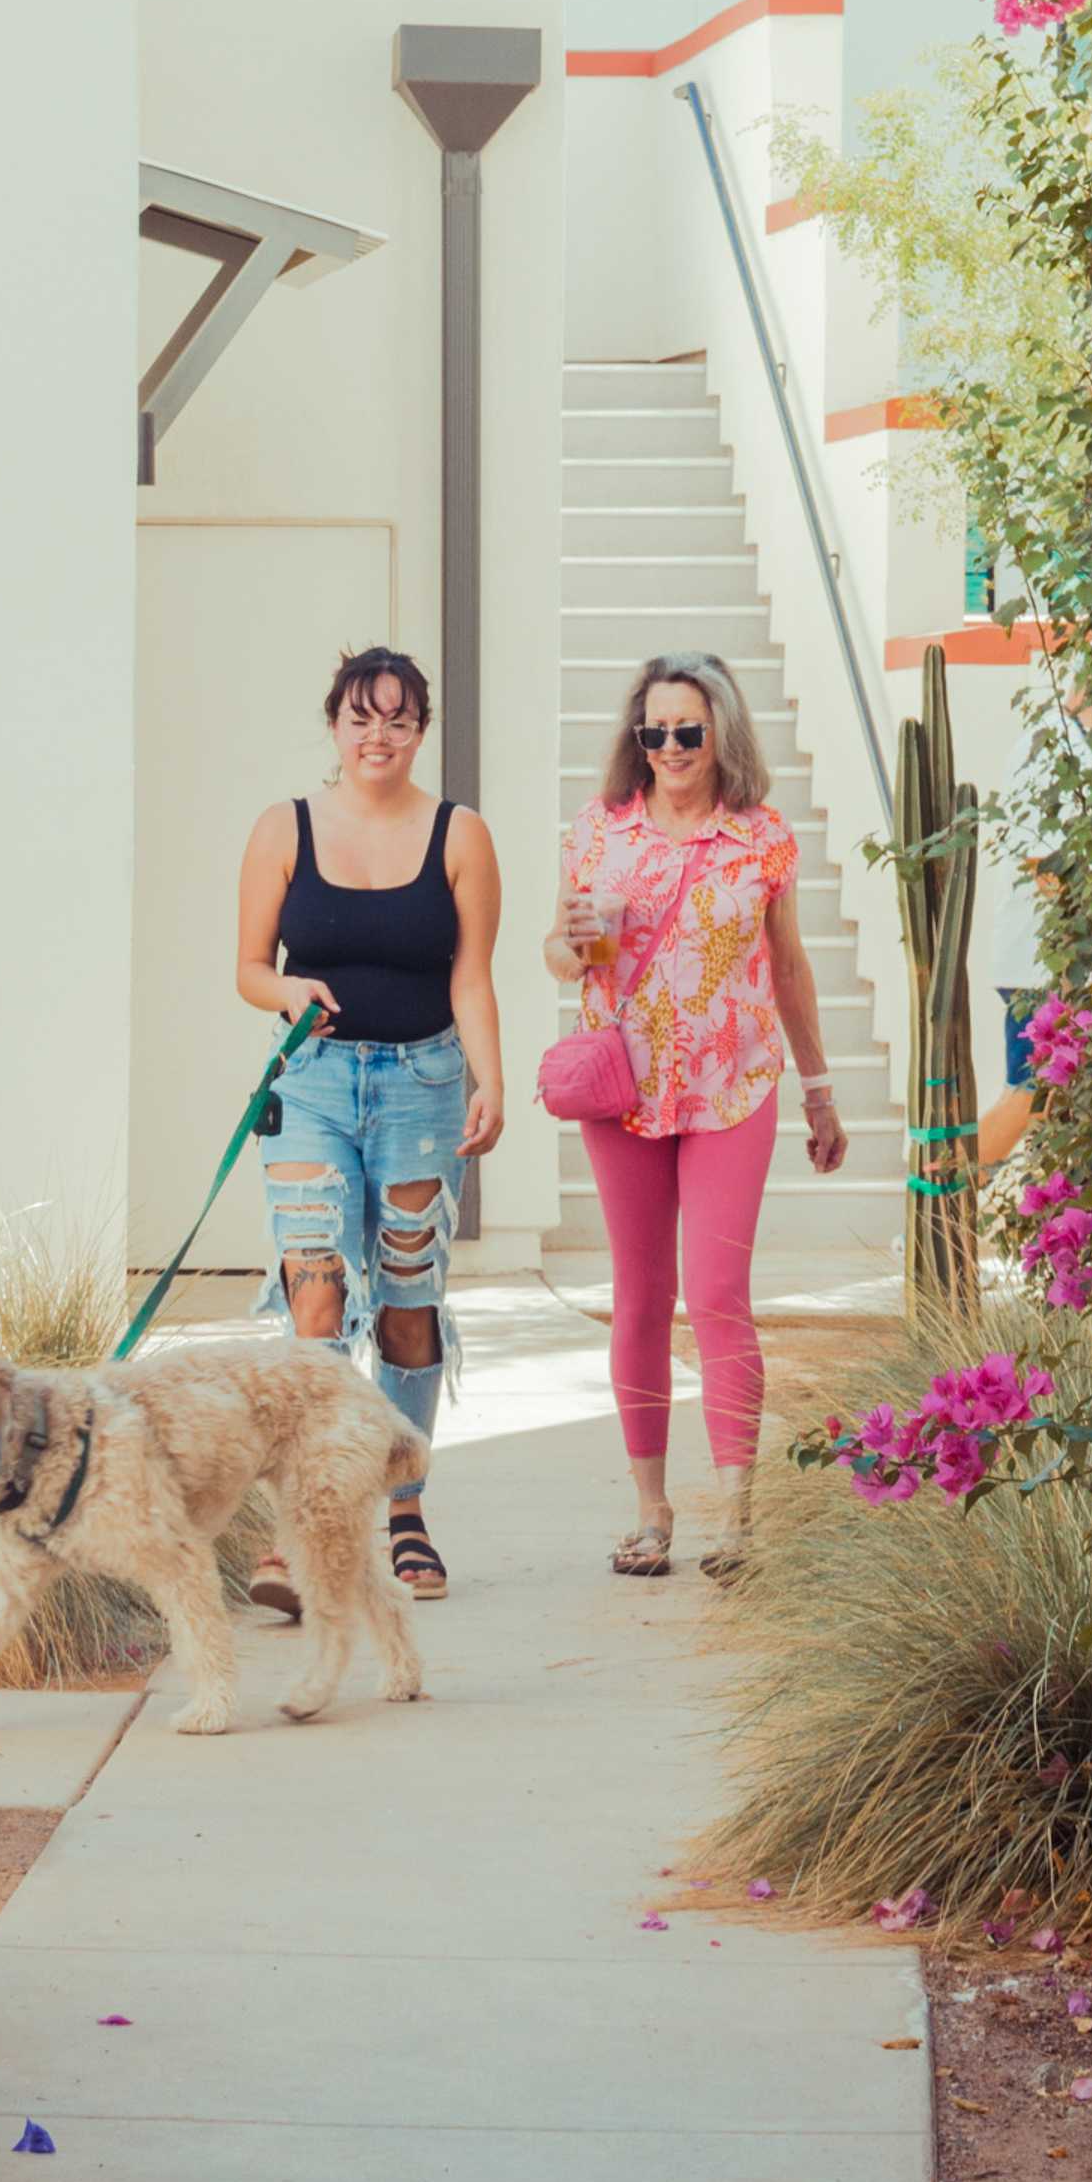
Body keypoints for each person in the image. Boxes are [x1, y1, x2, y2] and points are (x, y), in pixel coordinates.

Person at [546, 647, 845, 1578]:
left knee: (717, 1298)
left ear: (720, 731)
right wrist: (577, 946)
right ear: (637, 739)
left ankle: (736, 1519)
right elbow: (558, 955)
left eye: (687, 730)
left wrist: (820, 1087)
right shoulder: (600, 832)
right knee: (639, 1298)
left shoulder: (760, 837)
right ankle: (650, 1512)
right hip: (625, 1090)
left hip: (733, 1088)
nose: (670, 747)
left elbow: (790, 968)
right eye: (654, 732)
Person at [232, 644, 502, 1601]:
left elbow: (469, 975)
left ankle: (404, 1511)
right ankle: (297, 1533)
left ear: (420, 729)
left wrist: (491, 1082)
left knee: (407, 1303)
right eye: (360, 717)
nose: (377, 735)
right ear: (334, 726)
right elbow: (248, 967)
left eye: (397, 718)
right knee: (314, 1297)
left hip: (423, 1083)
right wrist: (289, 986)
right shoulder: (285, 828)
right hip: (310, 1082)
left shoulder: (460, 834)